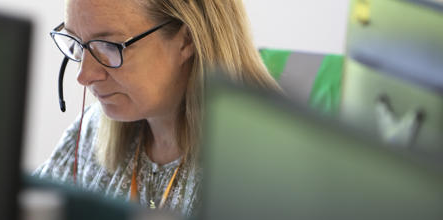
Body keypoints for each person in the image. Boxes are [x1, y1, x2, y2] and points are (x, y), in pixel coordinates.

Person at [33, 0, 281, 216]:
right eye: (76, 42)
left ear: (186, 40)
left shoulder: (257, 172)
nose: (84, 76)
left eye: (109, 46)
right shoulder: (93, 129)